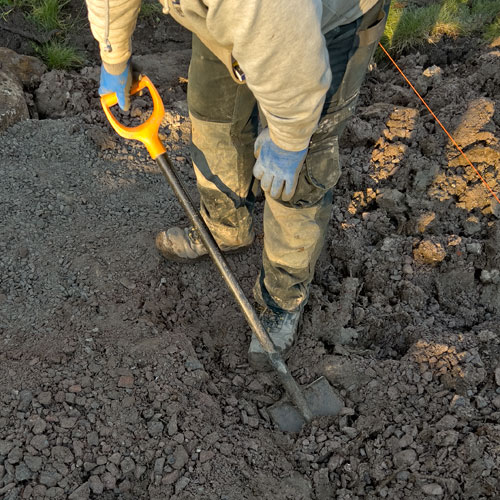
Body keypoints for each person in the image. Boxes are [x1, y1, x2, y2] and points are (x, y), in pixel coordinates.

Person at [85, 0, 388, 370]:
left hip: (322, 27)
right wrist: (113, 54)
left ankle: (283, 295)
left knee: (302, 167)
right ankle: (224, 228)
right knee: (214, 113)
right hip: (226, 18)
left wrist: (291, 139)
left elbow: (292, 58)